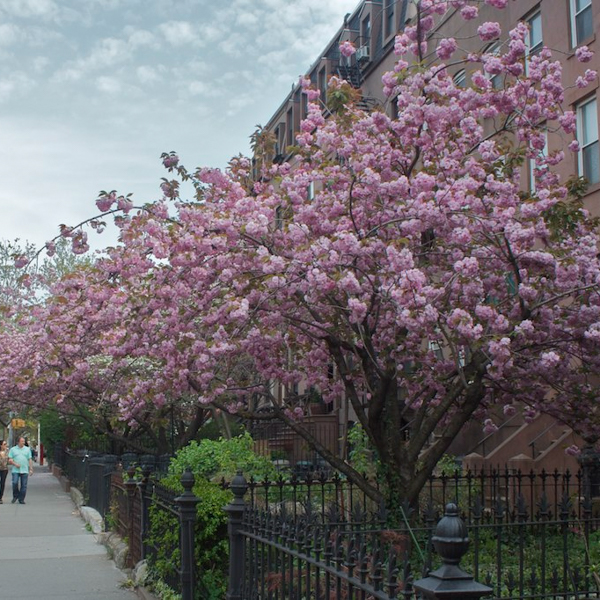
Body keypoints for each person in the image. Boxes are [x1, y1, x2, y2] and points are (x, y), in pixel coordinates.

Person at [8, 437, 33, 504]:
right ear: (18, 442)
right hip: (15, 470)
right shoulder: (13, 449)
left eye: (24, 441)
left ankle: (21, 499)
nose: (23, 443)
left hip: (24, 470)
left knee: (24, 485)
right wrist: (15, 464)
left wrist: (31, 468)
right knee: (15, 483)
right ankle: (15, 495)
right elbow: (10, 459)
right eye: (22, 441)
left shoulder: (27, 449)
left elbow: (30, 459)